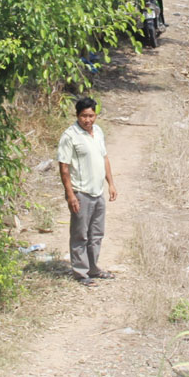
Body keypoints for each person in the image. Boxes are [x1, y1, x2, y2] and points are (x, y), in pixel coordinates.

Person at [58, 97, 118, 286]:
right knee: (80, 234)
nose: (88, 120)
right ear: (77, 115)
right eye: (84, 116)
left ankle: (93, 268)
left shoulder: (98, 132)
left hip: (97, 192)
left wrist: (111, 183)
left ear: (96, 115)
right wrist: (70, 195)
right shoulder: (70, 136)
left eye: (91, 115)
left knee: (96, 234)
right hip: (81, 193)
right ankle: (81, 273)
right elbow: (64, 167)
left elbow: (104, 158)